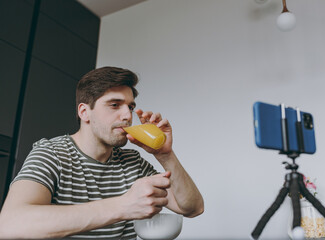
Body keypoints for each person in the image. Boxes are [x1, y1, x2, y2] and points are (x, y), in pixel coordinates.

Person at [0, 67, 204, 239]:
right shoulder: (52, 154)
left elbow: (193, 208)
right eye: (114, 105)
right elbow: (10, 224)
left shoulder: (133, 162)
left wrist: (165, 155)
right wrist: (122, 206)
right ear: (84, 112)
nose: (127, 115)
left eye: (130, 107)